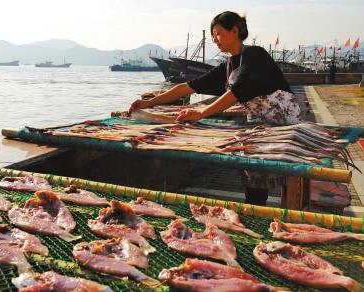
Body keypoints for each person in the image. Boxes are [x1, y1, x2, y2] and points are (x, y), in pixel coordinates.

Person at [129, 11, 306, 205]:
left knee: (287, 173)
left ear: (235, 31)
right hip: (259, 123)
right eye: (213, 35)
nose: (214, 39)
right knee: (253, 171)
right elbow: (187, 87)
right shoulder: (228, 66)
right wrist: (147, 103)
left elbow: (235, 93)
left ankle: (289, 210)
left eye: (218, 33)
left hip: (285, 123)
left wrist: (201, 112)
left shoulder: (254, 54)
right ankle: (256, 208)